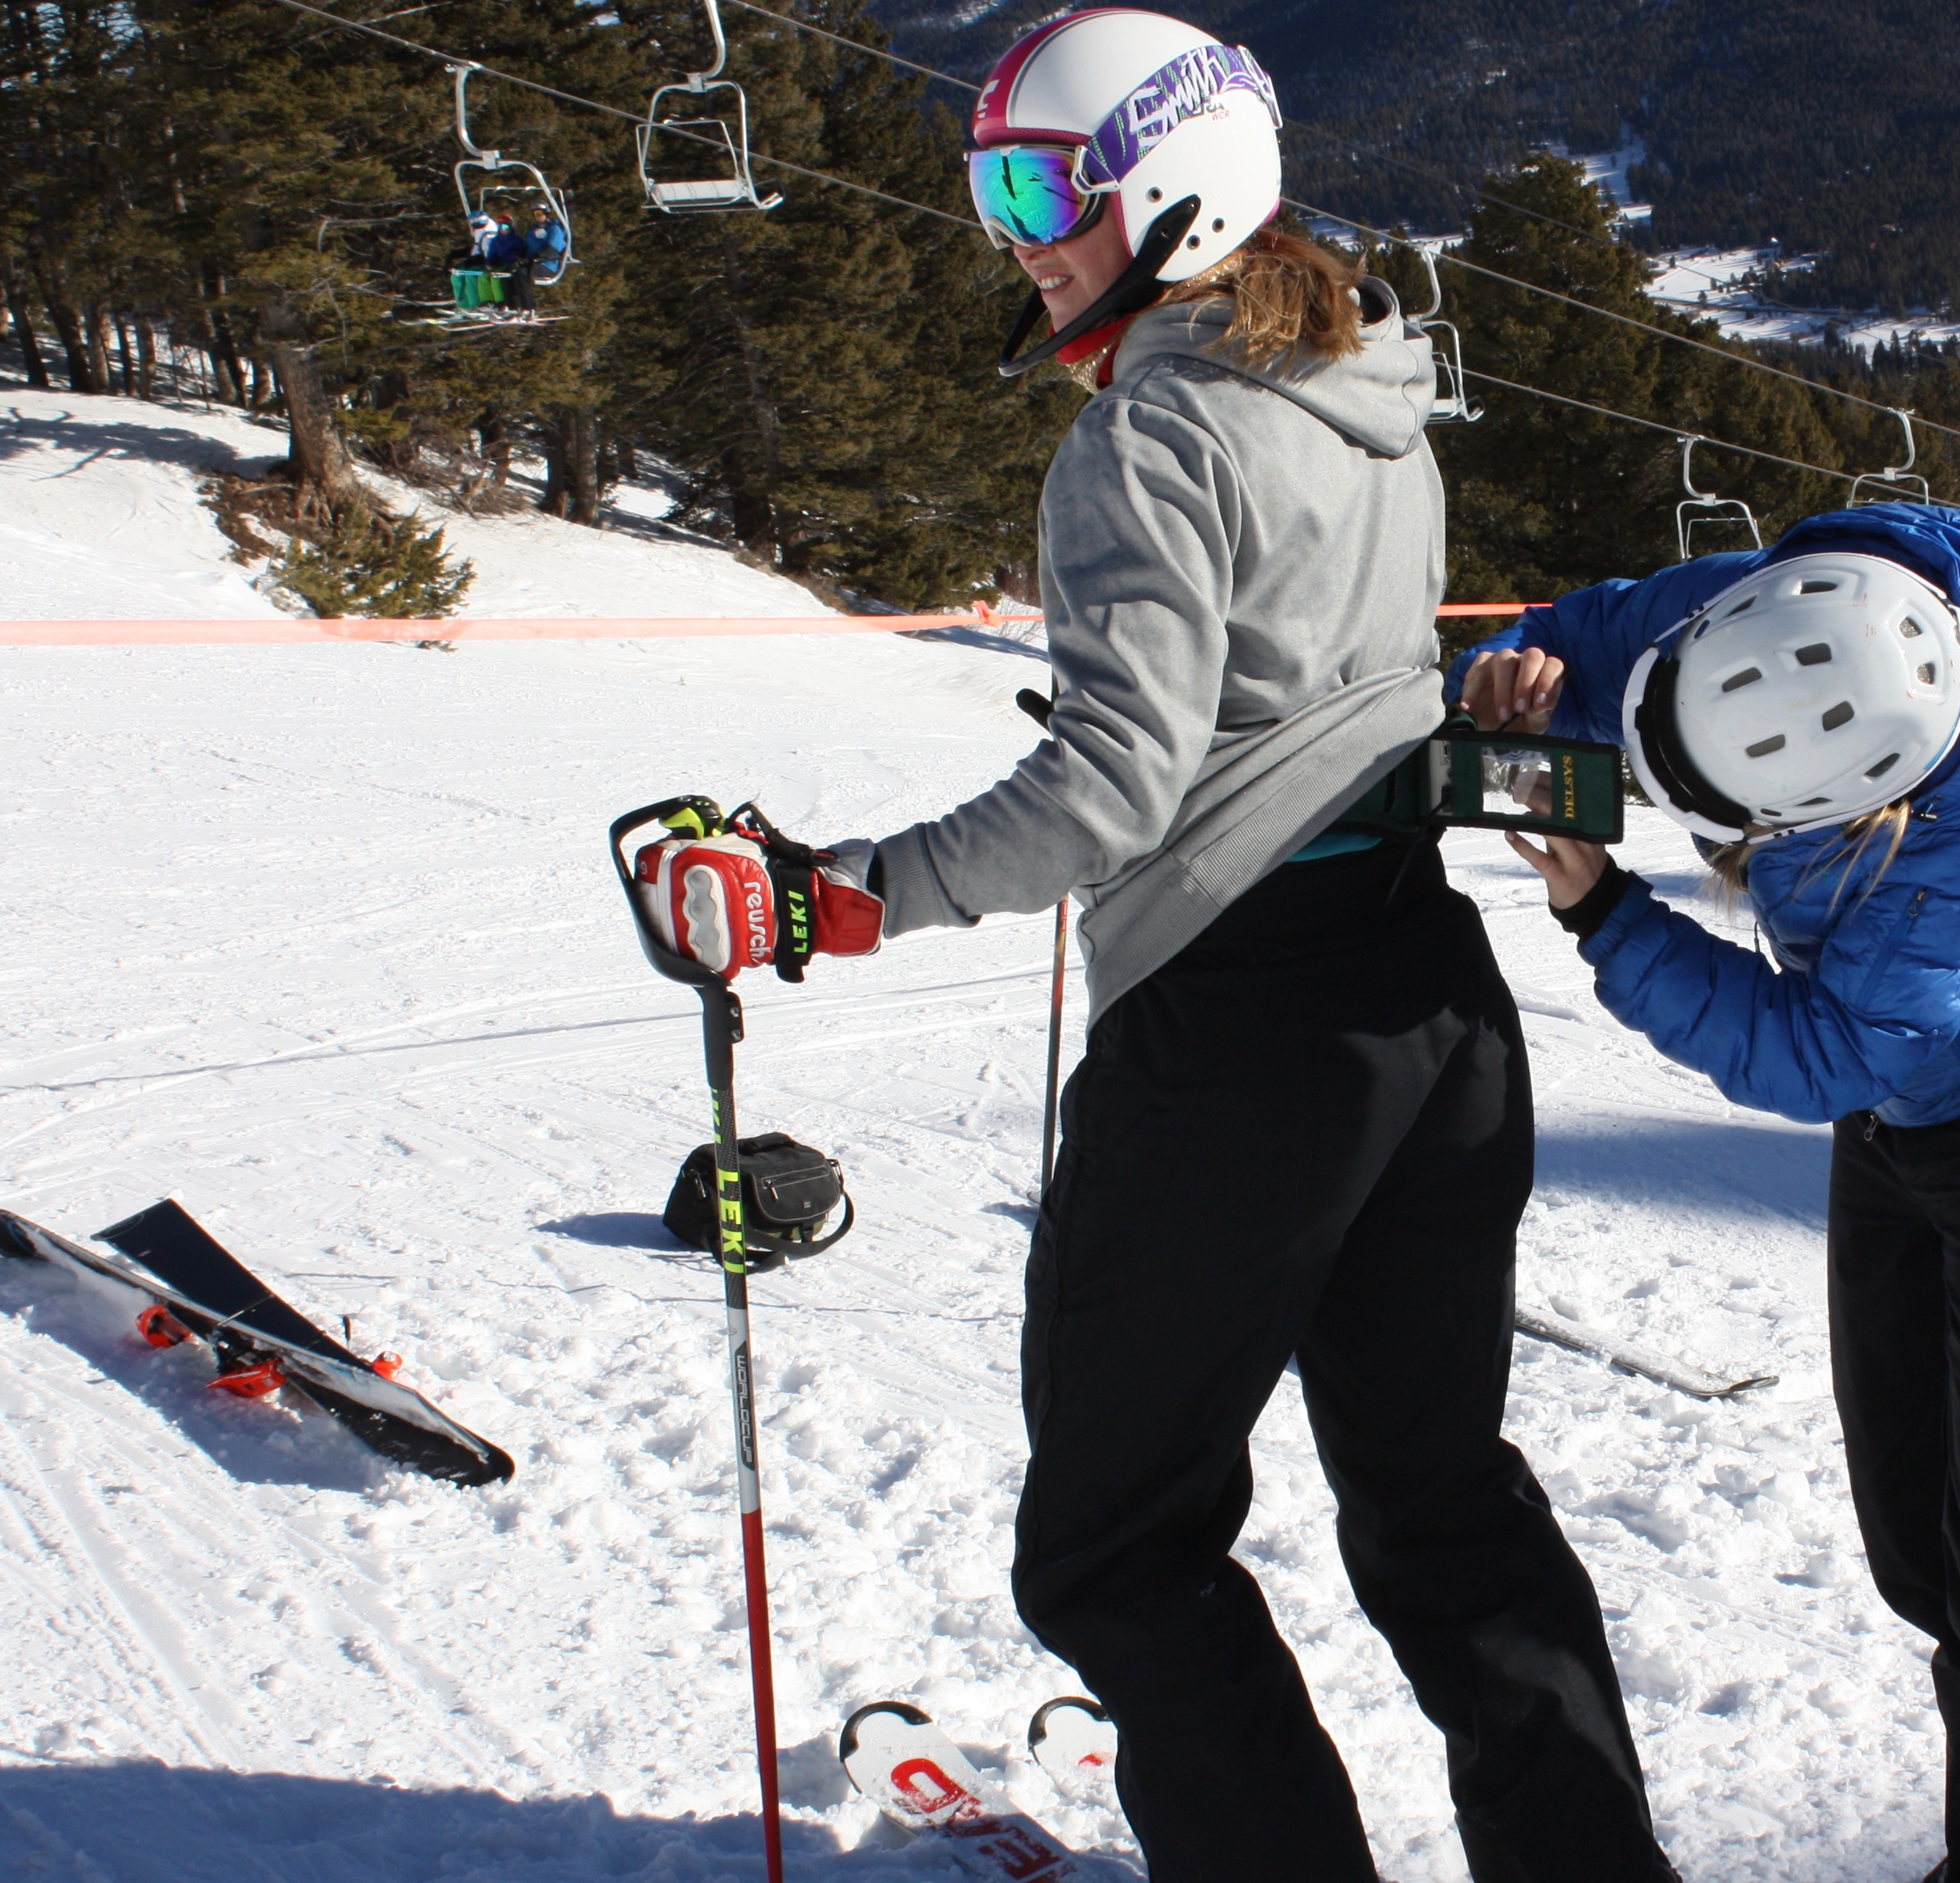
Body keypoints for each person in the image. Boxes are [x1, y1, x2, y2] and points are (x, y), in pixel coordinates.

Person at [693, 14, 1677, 1881]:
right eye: (991, 189)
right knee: (1441, 1501)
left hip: (1244, 1040)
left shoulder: (1148, 433)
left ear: (1164, 186)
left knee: (1114, 1543)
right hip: (1425, 1001)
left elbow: (1114, 787)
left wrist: (846, 891)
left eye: (1035, 189)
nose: (1012, 237)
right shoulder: (1364, 389)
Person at [1459, 503, 1960, 1883]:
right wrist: (1508, 676)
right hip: (1909, 1110)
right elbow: (1562, 634)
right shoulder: (1764, 612)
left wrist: (1606, 913)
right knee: (1925, 1544)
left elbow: (1828, 1049)